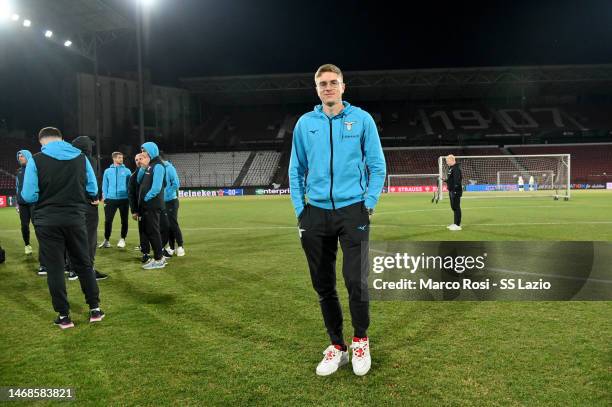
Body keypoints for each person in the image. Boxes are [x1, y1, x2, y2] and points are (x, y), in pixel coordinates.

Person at [289, 64, 386, 377]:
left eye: (333, 82)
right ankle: (338, 346)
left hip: (352, 211)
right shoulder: (305, 124)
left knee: (355, 280)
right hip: (315, 213)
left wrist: (367, 205)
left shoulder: (362, 120)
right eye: (322, 83)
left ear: (343, 86)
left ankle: (360, 340)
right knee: (323, 284)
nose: (328, 87)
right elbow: (295, 170)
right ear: (316, 89)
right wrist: (300, 210)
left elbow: (377, 166)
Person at [20, 127, 104, 329]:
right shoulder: (81, 158)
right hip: (75, 218)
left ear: (42, 142)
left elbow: (29, 195)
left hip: (47, 221)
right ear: (61, 139)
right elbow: (92, 189)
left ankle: (64, 316)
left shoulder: (36, 160)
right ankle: (94, 309)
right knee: (83, 264)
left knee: (55, 268)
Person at [70, 136, 108, 281]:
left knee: (72, 236)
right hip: (87, 203)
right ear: (87, 147)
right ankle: (88, 270)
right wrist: (94, 197)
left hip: (71, 204)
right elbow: (91, 180)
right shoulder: (88, 160)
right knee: (89, 237)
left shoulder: (68, 159)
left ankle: (72, 269)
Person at [137, 142, 167, 270]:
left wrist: (145, 199)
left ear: (151, 151)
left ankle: (159, 259)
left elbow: (156, 187)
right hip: (148, 204)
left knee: (153, 231)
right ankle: (158, 257)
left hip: (152, 204)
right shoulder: (150, 165)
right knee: (151, 231)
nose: (142, 152)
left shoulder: (158, 166)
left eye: (144, 150)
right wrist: (143, 167)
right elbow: (139, 180)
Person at [100, 152, 131, 249]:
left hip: (124, 199)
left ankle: (122, 239)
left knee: (124, 220)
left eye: (122, 157)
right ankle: (106, 240)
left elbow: (130, 186)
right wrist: (105, 198)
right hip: (110, 199)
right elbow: (104, 185)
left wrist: (129, 196)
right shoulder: (107, 171)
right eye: (119, 157)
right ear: (114, 158)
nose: (121, 159)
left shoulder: (127, 171)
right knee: (108, 221)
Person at [160, 155, 185, 257]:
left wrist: (166, 193)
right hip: (162, 202)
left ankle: (180, 246)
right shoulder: (157, 169)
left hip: (171, 201)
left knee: (173, 223)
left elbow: (176, 184)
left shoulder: (169, 168)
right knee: (167, 225)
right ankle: (171, 247)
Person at [128, 153, 151, 263]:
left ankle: (160, 250)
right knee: (143, 231)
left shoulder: (151, 172)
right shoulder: (133, 176)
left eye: (140, 158)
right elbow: (131, 195)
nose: (138, 161)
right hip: (141, 208)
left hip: (154, 206)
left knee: (160, 228)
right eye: (136, 159)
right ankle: (145, 253)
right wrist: (134, 211)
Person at [16, 150, 34, 255]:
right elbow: (17, 188)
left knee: (38, 225)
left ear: (28, 156)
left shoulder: (35, 169)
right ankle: (27, 245)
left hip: (33, 203)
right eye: (19, 156)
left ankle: (44, 246)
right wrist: (17, 203)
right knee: (24, 226)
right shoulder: (18, 171)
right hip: (22, 204)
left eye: (22, 156)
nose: (20, 158)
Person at [444, 154, 463, 231]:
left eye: (447, 161)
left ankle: (458, 225)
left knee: (456, 207)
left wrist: (455, 190)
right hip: (451, 190)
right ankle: (455, 223)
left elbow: (457, 180)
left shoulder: (456, 169)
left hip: (455, 191)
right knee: (454, 207)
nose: (446, 162)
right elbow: (451, 179)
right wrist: (444, 180)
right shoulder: (451, 168)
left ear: (452, 160)